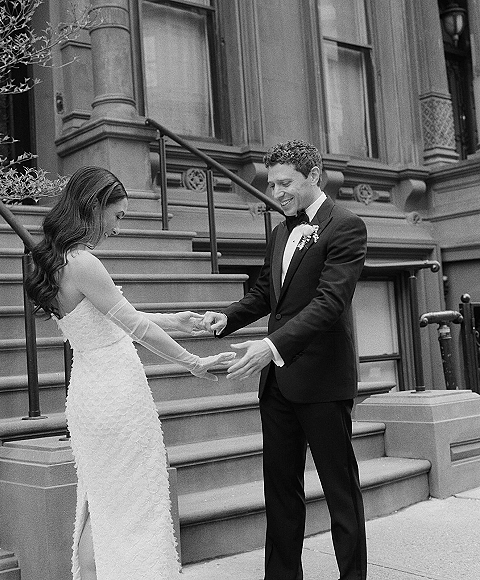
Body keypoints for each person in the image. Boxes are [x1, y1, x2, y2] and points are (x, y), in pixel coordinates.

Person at [24, 166, 235, 580]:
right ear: (95, 206)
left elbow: (114, 318)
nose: (118, 228)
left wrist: (177, 320)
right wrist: (194, 362)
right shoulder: (84, 262)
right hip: (114, 395)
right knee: (130, 508)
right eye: (117, 216)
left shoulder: (57, 262)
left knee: (101, 506)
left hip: (90, 390)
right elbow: (134, 327)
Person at [202, 140, 368, 580]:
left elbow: (329, 302)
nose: (276, 192)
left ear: (314, 175)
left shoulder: (346, 226)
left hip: (322, 383)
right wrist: (227, 318)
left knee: (340, 494)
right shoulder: (280, 231)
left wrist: (271, 346)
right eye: (272, 183)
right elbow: (265, 294)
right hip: (277, 385)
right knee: (279, 494)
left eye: (285, 183)